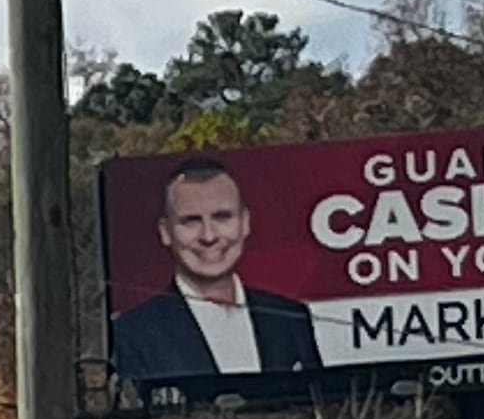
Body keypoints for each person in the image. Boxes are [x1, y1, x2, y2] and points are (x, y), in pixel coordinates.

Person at [108, 158, 323, 383]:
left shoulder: (291, 320)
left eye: (222, 217)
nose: (209, 236)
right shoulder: (132, 334)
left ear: (245, 222)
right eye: (191, 221)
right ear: (165, 232)